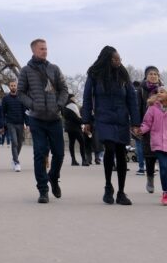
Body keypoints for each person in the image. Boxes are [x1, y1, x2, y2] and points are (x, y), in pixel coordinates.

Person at [81, 46, 140, 206]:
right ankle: (108, 186)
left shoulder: (123, 75)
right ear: (107, 59)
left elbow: (132, 100)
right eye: (115, 59)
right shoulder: (94, 75)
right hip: (103, 118)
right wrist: (86, 120)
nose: (118, 62)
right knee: (110, 148)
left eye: (120, 59)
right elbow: (87, 98)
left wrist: (135, 123)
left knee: (121, 153)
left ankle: (121, 191)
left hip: (121, 118)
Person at [17, 39, 69, 203]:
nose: (45, 51)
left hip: (54, 118)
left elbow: (64, 90)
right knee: (39, 153)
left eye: (46, 48)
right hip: (37, 118)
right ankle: (43, 189)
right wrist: (33, 105)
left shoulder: (54, 69)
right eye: (41, 49)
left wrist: (59, 105)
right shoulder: (25, 71)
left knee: (59, 153)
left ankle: (53, 176)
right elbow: (20, 93)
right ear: (34, 50)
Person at [138, 85, 167, 206]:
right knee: (164, 167)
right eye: (158, 92)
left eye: (162, 91)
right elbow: (147, 123)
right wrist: (140, 130)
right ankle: (165, 193)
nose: (159, 93)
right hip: (158, 143)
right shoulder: (152, 108)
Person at [136, 67, 163, 193]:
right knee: (149, 156)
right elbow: (137, 108)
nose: (153, 76)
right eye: (150, 74)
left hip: (163, 127)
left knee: (164, 157)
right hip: (146, 125)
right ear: (146, 76)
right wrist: (137, 125)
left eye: (155, 74)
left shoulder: (163, 89)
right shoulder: (141, 90)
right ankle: (150, 178)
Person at [1, 79, 26, 171]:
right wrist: (3, 124)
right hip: (10, 123)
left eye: (14, 85)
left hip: (20, 123)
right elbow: (3, 112)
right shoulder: (5, 99)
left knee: (20, 143)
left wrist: (27, 123)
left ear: (17, 86)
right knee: (14, 142)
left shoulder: (22, 98)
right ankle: (16, 162)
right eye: (11, 85)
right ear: (9, 87)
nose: (13, 87)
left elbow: (25, 111)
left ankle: (14, 158)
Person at [63, 94, 88, 166]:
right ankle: (84, 160)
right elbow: (76, 117)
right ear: (71, 98)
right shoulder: (73, 106)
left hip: (69, 128)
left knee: (72, 143)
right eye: (74, 97)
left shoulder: (65, 106)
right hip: (76, 128)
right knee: (82, 142)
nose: (75, 98)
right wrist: (82, 121)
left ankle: (73, 160)